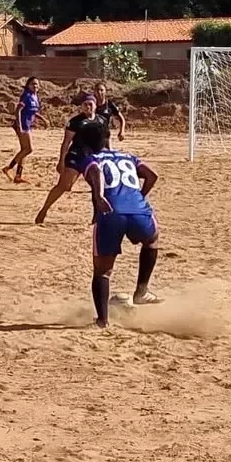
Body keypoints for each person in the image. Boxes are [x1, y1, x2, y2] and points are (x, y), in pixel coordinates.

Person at [77, 122, 160, 328]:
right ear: (108, 139)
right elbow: (152, 175)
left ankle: (103, 320)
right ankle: (142, 290)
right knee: (152, 238)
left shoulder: (91, 158)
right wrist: (139, 198)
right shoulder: (129, 156)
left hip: (110, 212)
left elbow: (95, 170)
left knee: (103, 271)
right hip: (138, 211)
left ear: (85, 145)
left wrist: (98, 195)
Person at [34, 94, 103, 225]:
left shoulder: (101, 121)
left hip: (93, 159)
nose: (88, 107)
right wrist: (61, 161)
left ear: (95, 105)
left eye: (90, 104)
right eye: (85, 104)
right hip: (76, 156)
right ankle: (44, 209)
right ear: (81, 106)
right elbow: (66, 143)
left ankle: (96, 217)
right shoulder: (75, 121)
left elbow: (105, 141)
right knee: (64, 186)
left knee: (97, 186)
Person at [3, 76, 47, 183]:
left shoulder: (35, 97)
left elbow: (32, 111)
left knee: (24, 150)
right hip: (23, 125)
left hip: (27, 125)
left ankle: (18, 176)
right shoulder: (26, 96)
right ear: (28, 85)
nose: (35, 86)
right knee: (28, 149)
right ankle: (8, 168)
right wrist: (19, 125)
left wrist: (43, 119)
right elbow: (18, 110)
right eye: (33, 84)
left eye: (36, 84)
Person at [93, 81, 126, 147]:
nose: (99, 92)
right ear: (94, 92)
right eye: (97, 90)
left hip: (105, 136)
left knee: (108, 155)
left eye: (101, 90)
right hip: (92, 136)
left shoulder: (109, 105)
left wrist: (122, 131)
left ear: (105, 92)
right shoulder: (91, 104)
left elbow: (122, 119)